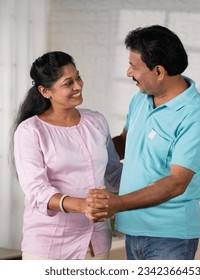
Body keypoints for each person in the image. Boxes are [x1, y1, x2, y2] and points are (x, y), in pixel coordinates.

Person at [88, 25, 200, 260]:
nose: (128, 73)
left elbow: (177, 183)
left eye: (134, 66)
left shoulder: (195, 114)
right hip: (133, 230)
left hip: (170, 238)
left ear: (158, 71)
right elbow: (126, 143)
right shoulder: (140, 100)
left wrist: (118, 204)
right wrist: (87, 149)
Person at [12, 51, 122, 260]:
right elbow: (37, 190)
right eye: (68, 83)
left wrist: (157, 181)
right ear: (45, 91)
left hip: (96, 243)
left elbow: (114, 172)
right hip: (49, 245)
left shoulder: (96, 121)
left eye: (78, 77)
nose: (78, 86)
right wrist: (82, 205)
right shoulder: (31, 131)